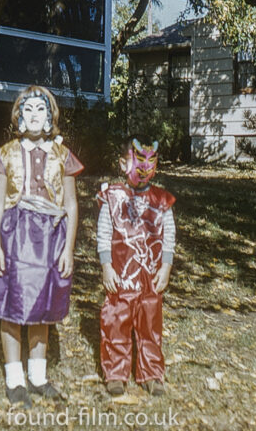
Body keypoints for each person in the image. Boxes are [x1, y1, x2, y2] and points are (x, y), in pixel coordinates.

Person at [0, 85, 83, 408]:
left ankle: (38, 376)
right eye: (29, 110)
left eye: (41, 110)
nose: (34, 116)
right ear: (19, 116)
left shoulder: (63, 156)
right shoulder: (6, 154)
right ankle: (14, 378)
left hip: (50, 239)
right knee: (12, 308)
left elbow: (73, 206)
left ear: (50, 117)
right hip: (14, 237)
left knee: (43, 308)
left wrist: (68, 250)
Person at [96, 136, 176, 397]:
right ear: (122, 164)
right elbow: (104, 231)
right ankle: (116, 373)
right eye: (137, 161)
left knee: (150, 323)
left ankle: (151, 373)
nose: (144, 168)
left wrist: (166, 266)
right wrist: (106, 265)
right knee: (116, 320)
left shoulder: (161, 199)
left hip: (150, 276)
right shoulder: (112, 196)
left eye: (150, 162)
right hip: (121, 273)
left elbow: (169, 235)